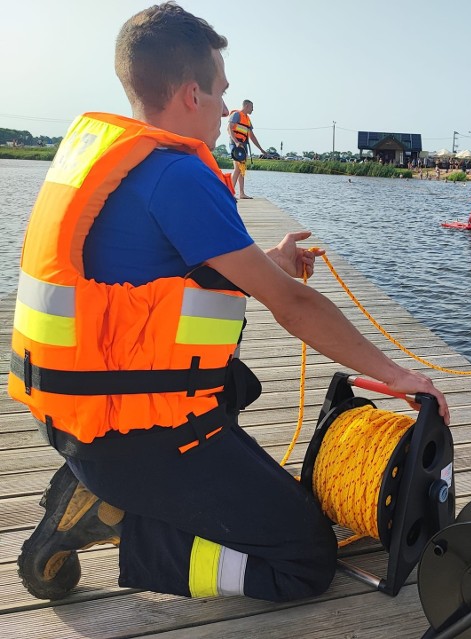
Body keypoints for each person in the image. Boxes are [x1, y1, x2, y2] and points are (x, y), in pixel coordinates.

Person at [12, 2, 448, 605]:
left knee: (236, 384)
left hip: (74, 415)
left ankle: (112, 485)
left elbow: (152, 280)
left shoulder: (120, 162)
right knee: (305, 558)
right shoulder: (179, 176)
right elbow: (293, 306)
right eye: (220, 92)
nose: (225, 108)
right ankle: (123, 521)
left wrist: (264, 260)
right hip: (132, 434)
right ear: (190, 94)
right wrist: (398, 377)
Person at [228, 99, 267, 199]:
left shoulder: (248, 120)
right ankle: (230, 193)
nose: (253, 110)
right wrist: (236, 142)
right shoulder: (236, 115)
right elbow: (229, 128)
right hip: (235, 145)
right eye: (252, 107)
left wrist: (261, 149)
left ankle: (241, 193)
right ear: (247, 106)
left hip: (244, 145)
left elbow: (252, 136)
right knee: (237, 168)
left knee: (242, 169)